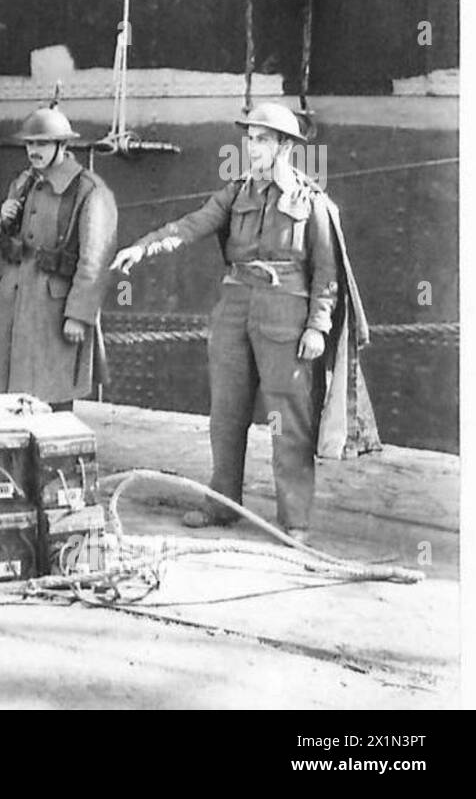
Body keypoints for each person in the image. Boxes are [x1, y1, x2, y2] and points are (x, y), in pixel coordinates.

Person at [110, 102, 379, 544]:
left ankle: (294, 520)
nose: (252, 147)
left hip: (286, 315)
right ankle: (222, 503)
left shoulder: (312, 203)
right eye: (250, 139)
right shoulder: (236, 194)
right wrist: (143, 248)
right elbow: (191, 225)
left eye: (262, 140)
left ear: (285, 147)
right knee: (226, 414)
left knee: (287, 419)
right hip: (234, 309)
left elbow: (328, 274)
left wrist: (317, 326)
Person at [0, 107, 118, 410]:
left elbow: (95, 259)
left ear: (62, 146)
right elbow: (4, 244)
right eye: (30, 144)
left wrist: (78, 315)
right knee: (5, 397)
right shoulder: (23, 183)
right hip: (13, 304)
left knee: (52, 398)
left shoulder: (89, 191)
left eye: (42, 144)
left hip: (53, 311)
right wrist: (4, 221)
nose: (33, 151)